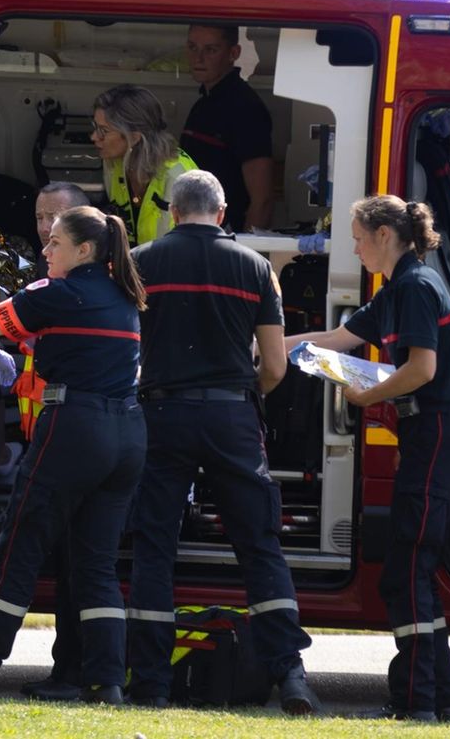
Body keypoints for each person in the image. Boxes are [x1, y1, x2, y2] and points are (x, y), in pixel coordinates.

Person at [0, 205, 147, 703]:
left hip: (74, 427)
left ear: (84, 251)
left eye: (56, 244)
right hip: (128, 433)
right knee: (96, 563)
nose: (44, 250)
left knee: (17, 549)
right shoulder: (125, 295)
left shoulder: (57, 293)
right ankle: (103, 678)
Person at [127, 170, 319, 713]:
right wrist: (241, 394)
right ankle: (290, 674)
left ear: (171, 210)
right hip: (232, 417)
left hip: (160, 415)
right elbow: (276, 365)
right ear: (222, 210)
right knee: (260, 547)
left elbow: (129, 348)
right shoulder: (255, 267)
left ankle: (151, 684)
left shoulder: (141, 261)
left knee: (154, 546)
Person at [286, 194, 450, 722]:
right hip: (429, 434)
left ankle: (418, 703)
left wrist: (369, 396)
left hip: (437, 429)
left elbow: (421, 370)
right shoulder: (398, 289)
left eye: (359, 237)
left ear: (385, 236)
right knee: (413, 569)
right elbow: (336, 339)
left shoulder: (414, 287)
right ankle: (441, 699)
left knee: (407, 569)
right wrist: (269, 347)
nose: (355, 246)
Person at [15, 180, 94, 702]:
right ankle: (74, 669)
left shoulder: (79, 291)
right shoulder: (53, 284)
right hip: (44, 440)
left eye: (56, 222)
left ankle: (74, 671)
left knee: (71, 566)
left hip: (69, 447)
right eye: (41, 218)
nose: (44, 231)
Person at [180, 24, 276, 233]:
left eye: (210, 50)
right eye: (192, 47)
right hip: (195, 231)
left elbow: (263, 199)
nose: (199, 58)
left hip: (225, 236)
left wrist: (244, 251)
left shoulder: (245, 108)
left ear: (234, 53)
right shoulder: (203, 104)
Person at [93, 84, 197, 247]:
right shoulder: (114, 165)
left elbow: (195, 246)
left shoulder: (179, 176)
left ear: (134, 138)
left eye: (103, 131)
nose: (94, 137)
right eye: (95, 128)